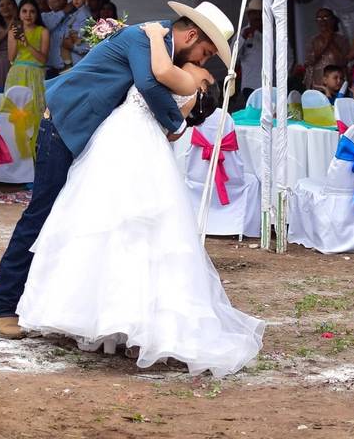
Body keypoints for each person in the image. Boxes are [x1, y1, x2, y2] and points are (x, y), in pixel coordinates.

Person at [16, 20, 263, 375]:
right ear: (192, 38)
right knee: (106, 222)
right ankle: (103, 319)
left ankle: (125, 323)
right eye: (205, 55)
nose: (205, 66)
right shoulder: (163, 58)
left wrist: (152, 35)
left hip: (134, 141)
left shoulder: (179, 74)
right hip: (117, 137)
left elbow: (155, 81)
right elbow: (169, 122)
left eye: (208, 67)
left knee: (132, 225)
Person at [4, 0, 49, 123]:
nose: (28, 15)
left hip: (36, 74)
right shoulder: (13, 31)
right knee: (15, 113)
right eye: (24, 11)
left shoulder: (43, 31)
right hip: (17, 74)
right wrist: (15, 37)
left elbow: (43, 60)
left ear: (37, 14)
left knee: (34, 111)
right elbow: (11, 58)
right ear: (19, 14)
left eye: (32, 12)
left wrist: (27, 44)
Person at [42, 0, 91, 78]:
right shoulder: (44, 17)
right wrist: (64, 11)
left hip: (74, 70)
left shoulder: (80, 17)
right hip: (50, 72)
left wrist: (72, 47)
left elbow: (87, 46)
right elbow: (48, 26)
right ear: (47, 0)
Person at [303, 8, 348, 90]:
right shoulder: (313, 40)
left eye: (326, 18)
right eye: (319, 19)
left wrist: (331, 41)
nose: (323, 21)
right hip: (318, 82)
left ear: (333, 20)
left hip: (337, 82)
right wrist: (326, 42)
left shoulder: (342, 39)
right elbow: (310, 61)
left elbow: (343, 61)